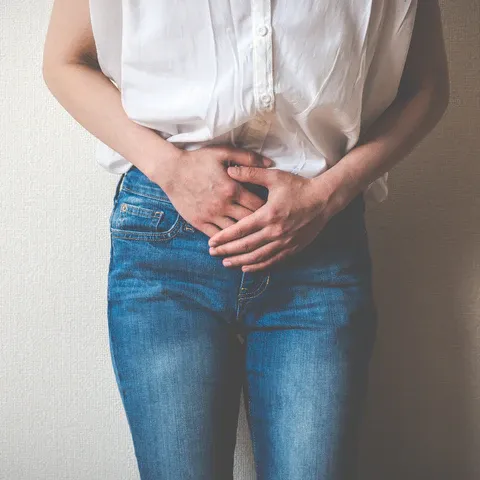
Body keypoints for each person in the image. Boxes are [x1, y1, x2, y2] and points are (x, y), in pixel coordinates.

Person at [42, 0, 449, 478]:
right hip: (165, 236)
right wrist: (170, 168)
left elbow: (426, 88)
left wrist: (327, 196)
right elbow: (64, 61)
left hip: (318, 245)